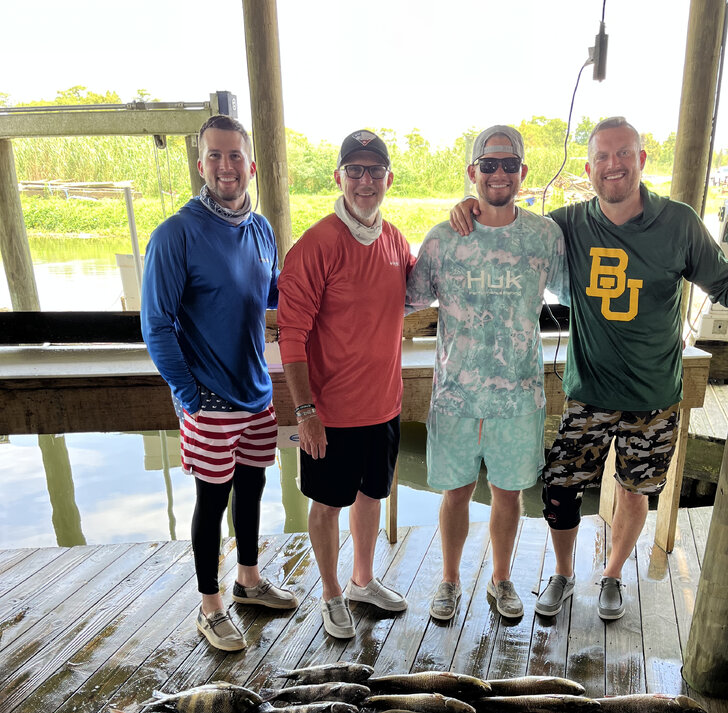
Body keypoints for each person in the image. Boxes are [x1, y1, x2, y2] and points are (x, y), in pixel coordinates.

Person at [451, 116, 728, 620]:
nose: (613, 165)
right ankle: (564, 573)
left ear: (641, 159)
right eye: (602, 157)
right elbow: (508, 227)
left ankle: (613, 574)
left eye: (623, 153)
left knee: (636, 491)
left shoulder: (679, 222)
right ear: (589, 167)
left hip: (654, 396)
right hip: (588, 392)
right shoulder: (568, 223)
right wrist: (470, 207)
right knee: (559, 489)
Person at [141, 114, 297, 652]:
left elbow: (271, 294)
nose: (226, 166)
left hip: (257, 391)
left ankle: (248, 582)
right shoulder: (175, 234)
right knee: (212, 500)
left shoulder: (261, 228)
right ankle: (209, 607)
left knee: (253, 488)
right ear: (200, 164)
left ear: (250, 166)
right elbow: (156, 324)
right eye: (215, 155)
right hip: (207, 398)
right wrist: (189, 395)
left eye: (235, 156)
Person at [406, 126, 567, 621]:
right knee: (454, 492)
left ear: (522, 172)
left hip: (519, 396)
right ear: (472, 172)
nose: (499, 173)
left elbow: (581, 291)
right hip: (455, 395)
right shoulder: (442, 238)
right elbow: (404, 299)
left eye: (509, 164)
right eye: (489, 164)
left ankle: (501, 579)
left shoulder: (545, 236)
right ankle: (449, 581)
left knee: (509, 493)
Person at [277, 130, 414, 639]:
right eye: (354, 170)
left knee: (371, 494)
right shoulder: (315, 245)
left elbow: (424, 288)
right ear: (339, 177)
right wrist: (305, 412)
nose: (365, 180)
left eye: (374, 171)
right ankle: (331, 593)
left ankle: (362, 580)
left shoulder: (395, 240)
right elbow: (291, 334)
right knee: (327, 504)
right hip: (329, 413)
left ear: (388, 179)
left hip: (384, 406)